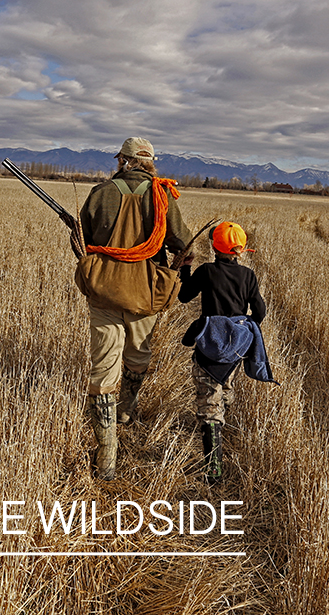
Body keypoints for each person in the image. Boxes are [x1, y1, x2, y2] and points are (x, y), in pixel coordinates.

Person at [77, 137, 193, 480]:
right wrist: (171, 271)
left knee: (102, 370)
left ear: (122, 160)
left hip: (104, 292)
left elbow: (82, 240)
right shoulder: (161, 195)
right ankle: (127, 409)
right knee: (138, 357)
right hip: (145, 293)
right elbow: (183, 244)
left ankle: (107, 452)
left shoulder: (101, 192)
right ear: (151, 163)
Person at [178, 221, 270, 484]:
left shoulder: (206, 271)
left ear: (214, 247)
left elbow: (184, 296)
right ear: (240, 251)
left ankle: (214, 471)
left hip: (209, 345)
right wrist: (241, 329)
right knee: (224, 391)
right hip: (234, 351)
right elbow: (260, 312)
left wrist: (185, 269)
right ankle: (220, 419)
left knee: (209, 407)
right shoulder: (248, 277)